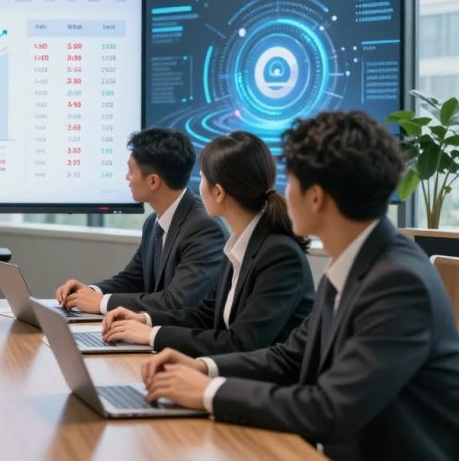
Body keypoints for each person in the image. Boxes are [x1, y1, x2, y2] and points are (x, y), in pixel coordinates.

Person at [140, 112, 459, 461]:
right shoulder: (356, 262)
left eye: (289, 182)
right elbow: (290, 355)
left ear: (316, 197)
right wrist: (203, 368)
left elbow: (330, 409)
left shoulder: (398, 282)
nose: (281, 194)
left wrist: (209, 391)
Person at [101, 131, 314, 356]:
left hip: (268, 385)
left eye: (202, 177)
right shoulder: (240, 246)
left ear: (219, 192)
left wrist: (151, 335)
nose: (198, 187)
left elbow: (241, 343)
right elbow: (204, 315)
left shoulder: (279, 255)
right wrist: (144, 319)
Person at [56, 127, 226, 313]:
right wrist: (90, 291)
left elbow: (176, 302)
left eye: (131, 170)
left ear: (153, 181)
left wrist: (102, 303)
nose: (127, 177)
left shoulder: (204, 228)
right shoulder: (154, 222)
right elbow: (132, 280)